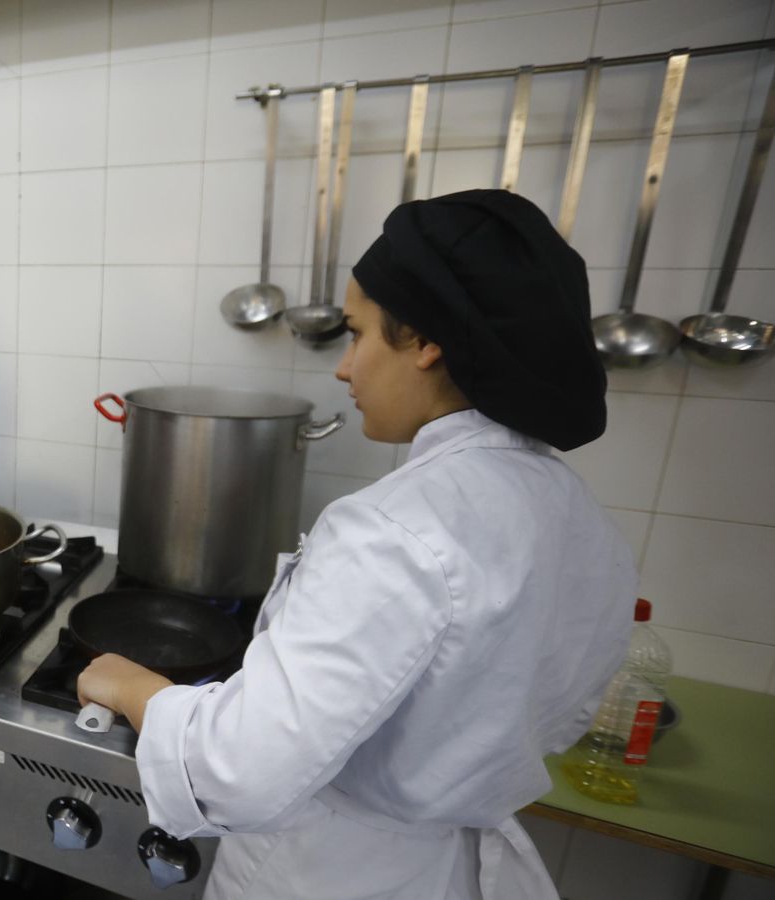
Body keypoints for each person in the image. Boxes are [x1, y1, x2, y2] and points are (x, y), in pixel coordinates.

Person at [78, 189, 638, 899]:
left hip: (331, 871)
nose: (345, 368)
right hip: (451, 871)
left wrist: (137, 689)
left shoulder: (395, 529)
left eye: (359, 333)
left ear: (429, 341)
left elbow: (240, 771)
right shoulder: (581, 519)